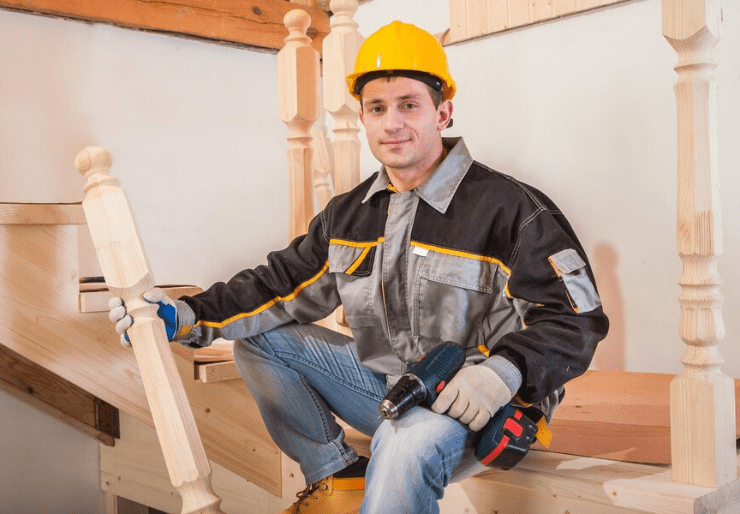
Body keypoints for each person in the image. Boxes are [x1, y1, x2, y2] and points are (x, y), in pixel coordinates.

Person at [110, 20, 609, 514]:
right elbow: (278, 285)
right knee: (260, 341)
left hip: (479, 403)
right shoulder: (350, 215)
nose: (392, 123)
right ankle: (336, 475)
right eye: (377, 108)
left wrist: (504, 373)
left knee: (404, 442)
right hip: (394, 388)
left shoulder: (510, 209)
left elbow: (576, 318)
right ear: (364, 119)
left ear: (444, 112)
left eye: (408, 105)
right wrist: (186, 314)